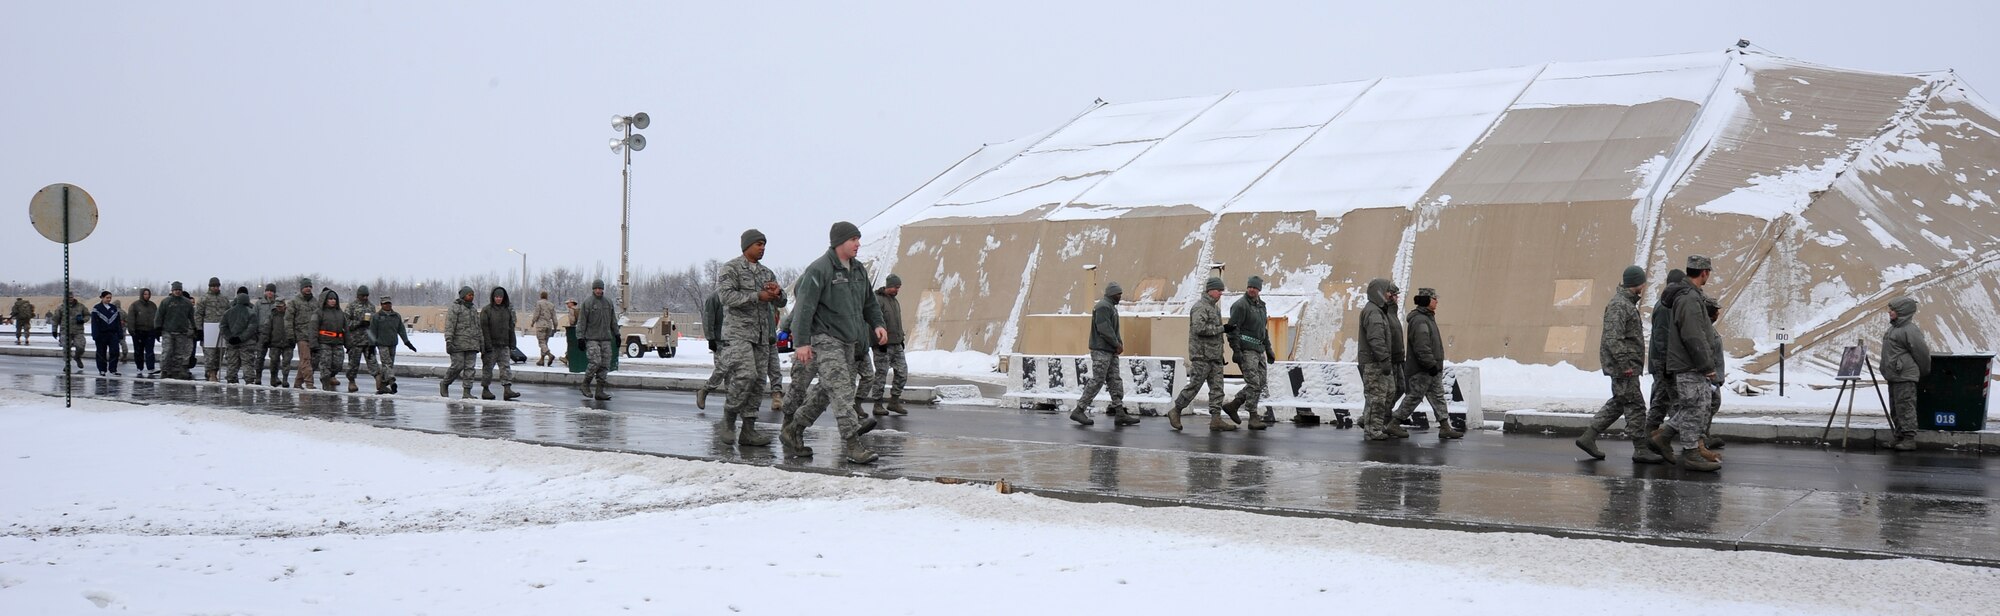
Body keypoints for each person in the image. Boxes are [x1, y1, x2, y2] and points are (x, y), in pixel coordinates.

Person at [782, 221, 889, 463]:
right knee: (841, 391)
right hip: (824, 338)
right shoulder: (819, 270)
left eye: (858, 239)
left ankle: (793, 429)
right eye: (853, 239)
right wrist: (801, 343)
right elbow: (804, 309)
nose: (858, 244)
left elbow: (869, 302)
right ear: (839, 242)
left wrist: (878, 324)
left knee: (826, 391)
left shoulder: (858, 270)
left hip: (848, 340)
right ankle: (852, 444)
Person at [1579, 266, 1658, 461]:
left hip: (1626, 366)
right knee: (1636, 405)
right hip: (1624, 368)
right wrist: (1625, 365)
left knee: (1620, 402)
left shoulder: (1625, 303)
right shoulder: (1619, 305)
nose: (1644, 286)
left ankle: (1588, 437)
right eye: (1643, 282)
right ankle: (1640, 449)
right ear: (1637, 283)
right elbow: (1613, 339)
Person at [715, 229, 786, 446]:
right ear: (746, 246)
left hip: (762, 335)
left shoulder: (767, 273)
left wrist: (777, 293)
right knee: (746, 374)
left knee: (757, 381)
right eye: (758, 244)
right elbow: (725, 296)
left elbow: (780, 303)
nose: (762, 248)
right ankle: (728, 419)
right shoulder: (731, 268)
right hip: (739, 334)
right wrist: (757, 296)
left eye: (764, 244)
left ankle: (749, 429)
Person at [1655, 255, 1722, 472]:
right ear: (1704, 272)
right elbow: (1693, 335)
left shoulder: (1690, 296)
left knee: (1697, 406)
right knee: (1694, 407)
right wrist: (1707, 365)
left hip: (1691, 364)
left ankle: (1664, 437)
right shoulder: (1689, 299)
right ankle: (1691, 454)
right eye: (1708, 272)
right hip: (1689, 364)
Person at [1168, 277, 1237, 432]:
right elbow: (1199, 329)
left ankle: (1216, 419)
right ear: (1210, 290)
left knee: (1218, 389)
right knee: (1194, 386)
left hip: (1215, 357)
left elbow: (1215, 335)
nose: (1221, 293)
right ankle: (1176, 410)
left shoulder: (1214, 308)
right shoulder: (1200, 307)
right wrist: (1222, 329)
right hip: (1202, 356)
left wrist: (1220, 352)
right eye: (1219, 290)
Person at [1395, 288, 1463, 440]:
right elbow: (1422, 346)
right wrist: (1430, 364)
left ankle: (1445, 427)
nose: (1437, 301)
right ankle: (1394, 422)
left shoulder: (1428, 318)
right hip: (1422, 369)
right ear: (1426, 300)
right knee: (1414, 397)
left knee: (1438, 397)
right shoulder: (1420, 320)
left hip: (1431, 369)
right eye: (1434, 298)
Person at [1069, 280, 1140, 427]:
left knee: (1115, 380)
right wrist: (1116, 344)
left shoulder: (1111, 307)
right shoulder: (1102, 307)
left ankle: (1120, 412)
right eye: (1118, 294)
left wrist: (1118, 344)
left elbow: (1113, 329)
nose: (1120, 296)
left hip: (1110, 350)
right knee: (1098, 380)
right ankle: (1079, 409)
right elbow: (1104, 329)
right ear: (1112, 294)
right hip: (1101, 350)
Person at [1222, 275, 1275, 429]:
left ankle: (1233, 405)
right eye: (1250, 287)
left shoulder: (1261, 306)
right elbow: (1233, 329)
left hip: (1259, 350)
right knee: (1253, 383)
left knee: (1261, 382)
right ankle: (1253, 417)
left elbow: (1262, 330)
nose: (1252, 290)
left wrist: (1269, 349)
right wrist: (1236, 350)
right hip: (1246, 350)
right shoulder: (1240, 306)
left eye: (1255, 287)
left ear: (1259, 290)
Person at [1879, 296, 1931, 452]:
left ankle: (1909, 438)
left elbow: (1921, 353)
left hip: (1904, 376)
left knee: (1905, 406)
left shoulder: (1910, 330)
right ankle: (1899, 436)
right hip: (1894, 376)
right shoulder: (1893, 329)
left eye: (1893, 309)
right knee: (1895, 407)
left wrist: (1921, 371)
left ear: (1902, 311)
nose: (1890, 312)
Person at [1357, 278, 1405, 440]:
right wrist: (1384, 359)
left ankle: (1372, 424)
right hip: (1374, 362)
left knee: (1389, 392)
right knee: (1376, 397)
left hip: (1379, 360)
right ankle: (1372, 431)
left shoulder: (1379, 311)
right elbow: (1376, 339)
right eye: (1387, 292)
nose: (1391, 295)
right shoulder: (1373, 312)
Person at [1644, 269, 1687, 438]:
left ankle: (1650, 432)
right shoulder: (1664, 306)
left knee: (1662, 399)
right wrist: (1667, 364)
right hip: (1664, 362)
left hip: (1666, 361)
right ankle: (1687, 439)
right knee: (1675, 400)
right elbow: (1661, 337)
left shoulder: (1669, 304)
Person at [861, 274, 910, 416]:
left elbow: (897, 323)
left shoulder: (895, 302)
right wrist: (877, 342)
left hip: (896, 344)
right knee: (881, 374)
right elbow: (872, 323)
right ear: (889, 285)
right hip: (882, 346)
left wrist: (900, 339)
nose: (897, 290)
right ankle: (877, 404)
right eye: (896, 287)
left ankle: (894, 401)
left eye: (899, 287)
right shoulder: (877, 300)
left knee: (902, 372)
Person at [574, 280, 617, 400]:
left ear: (603, 289)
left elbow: (613, 320)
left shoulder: (608, 302)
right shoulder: (588, 303)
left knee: (605, 364)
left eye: (600, 288)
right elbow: (581, 322)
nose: (598, 290)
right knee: (595, 362)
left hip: (606, 338)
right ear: (593, 289)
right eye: (596, 288)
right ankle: (585, 384)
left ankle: (600, 391)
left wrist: (617, 335)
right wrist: (580, 337)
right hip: (592, 338)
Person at [440, 286, 484, 398]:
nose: (471, 297)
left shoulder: (473, 309)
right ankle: (445, 383)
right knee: (457, 366)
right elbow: (450, 325)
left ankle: (467, 392)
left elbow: (478, 327)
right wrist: (449, 341)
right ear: (463, 295)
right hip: (458, 343)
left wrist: (481, 342)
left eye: (473, 295)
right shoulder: (455, 308)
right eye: (469, 294)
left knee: (470, 368)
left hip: (472, 344)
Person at [479, 286, 521, 400]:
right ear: (493, 297)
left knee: (505, 367)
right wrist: (486, 344)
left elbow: (510, 327)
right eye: (496, 297)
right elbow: (484, 328)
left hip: (504, 345)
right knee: (488, 368)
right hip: (491, 345)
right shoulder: (487, 310)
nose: (498, 299)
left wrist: (512, 342)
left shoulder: (507, 310)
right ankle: (485, 390)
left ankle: (507, 389)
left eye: (500, 297)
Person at [372, 297, 418, 394]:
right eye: (385, 304)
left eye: (389, 303)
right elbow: (372, 331)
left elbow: (401, 330)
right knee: (387, 364)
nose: (387, 305)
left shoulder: (396, 316)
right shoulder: (377, 317)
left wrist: (407, 342)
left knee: (389, 365)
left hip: (393, 344)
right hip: (382, 344)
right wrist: (371, 345)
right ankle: (392, 382)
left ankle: (383, 385)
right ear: (381, 305)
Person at [342, 285, 382, 393]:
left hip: (368, 340)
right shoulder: (351, 307)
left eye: (367, 295)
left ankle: (379, 381)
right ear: (358, 295)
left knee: (373, 362)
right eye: (363, 295)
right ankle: (351, 381)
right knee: (353, 364)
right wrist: (359, 323)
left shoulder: (371, 307)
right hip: (355, 340)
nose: (365, 298)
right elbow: (346, 324)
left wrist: (375, 339)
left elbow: (375, 323)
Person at [158, 282, 197, 380]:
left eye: (179, 290)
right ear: (172, 291)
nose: (178, 292)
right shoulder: (166, 302)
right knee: (167, 351)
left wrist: (195, 327)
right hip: (168, 331)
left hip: (181, 331)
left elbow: (191, 317)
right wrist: (157, 328)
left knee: (179, 353)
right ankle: (165, 370)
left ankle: (176, 371)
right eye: (176, 290)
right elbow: (159, 316)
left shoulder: (187, 303)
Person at [314, 288, 350, 391]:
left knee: (338, 364)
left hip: (338, 342)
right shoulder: (319, 312)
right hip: (324, 342)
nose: (333, 301)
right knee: (325, 363)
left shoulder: (340, 313)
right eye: (330, 299)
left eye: (334, 299)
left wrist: (348, 344)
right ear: (325, 300)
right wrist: (314, 344)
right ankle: (325, 382)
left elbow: (346, 329)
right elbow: (313, 328)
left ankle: (330, 376)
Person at [219, 288, 257, 384]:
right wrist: (241, 338)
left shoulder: (228, 312)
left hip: (231, 343)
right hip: (247, 343)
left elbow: (223, 326)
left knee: (232, 364)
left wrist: (230, 337)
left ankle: (231, 382)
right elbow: (251, 328)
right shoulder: (251, 312)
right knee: (247, 364)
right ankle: (249, 382)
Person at [194, 277, 229, 381]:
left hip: (221, 330)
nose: (215, 288)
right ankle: (211, 373)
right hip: (208, 330)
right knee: (209, 354)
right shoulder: (204, 299)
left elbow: (228, 313)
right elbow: (198, 314)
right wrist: (199, 329)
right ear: (210, 287)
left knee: (219, 354)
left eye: (217, 286)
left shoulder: (224, 299)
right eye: (213, 286)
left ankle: (215, 371)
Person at [286, 279, 318, 389]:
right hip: (301, 335)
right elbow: (288, 320)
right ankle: (310, 383)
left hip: (313, 336)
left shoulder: (315, 302)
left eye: (310, 286)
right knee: (306, 359)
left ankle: (298, 383)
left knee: (309, 361)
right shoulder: (294, 302)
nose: (308, 288)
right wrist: (290, 336)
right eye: (306, 286)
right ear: (301, 288)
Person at [696, 290, 725, 410]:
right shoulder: (715, 297)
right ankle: (705, 390)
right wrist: (711, 338)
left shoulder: (736, 296)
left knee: (734, 373)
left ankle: (731, 403)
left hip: (735, 340)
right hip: (719, 340)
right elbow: (708, 318)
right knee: (722, 369)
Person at [90, 291, 124, 376]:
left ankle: (113, 369)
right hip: (101, 334)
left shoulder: (114, 308)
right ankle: (102, 369)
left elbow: (118, 323)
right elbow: (94, 323)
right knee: (101, 352)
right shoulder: (97, 308)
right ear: (102, 297)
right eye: (107, 298)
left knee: (115, 351)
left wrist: (120, 333)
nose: (109, 299)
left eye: (110, 298)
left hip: (113, 334)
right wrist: (95, 334)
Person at [250, 283, 279, 385]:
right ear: (265, 292)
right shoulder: (259, 304)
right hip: (261, 334)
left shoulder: (278, 303)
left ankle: (274, 377)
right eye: (268, 291)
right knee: (260, 357)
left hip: (275, 334)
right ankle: (258, 376)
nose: (270, 293)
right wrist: (255, 332)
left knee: (275, 358)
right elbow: (253, 318)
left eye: (272, 291)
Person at [262, 299, 295, 387]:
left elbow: (294, 327)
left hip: (287, 342)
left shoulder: (290, 315)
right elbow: (267, 328)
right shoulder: (272, 315)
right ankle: (273, 378)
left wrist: (293, 339)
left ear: (284, 305)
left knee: (286, 363)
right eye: (277, 306)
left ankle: (285, 379)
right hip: (274, 342)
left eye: (280, 306)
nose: (278, 308)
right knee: (274, 362)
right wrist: (266, 339)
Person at [128, 288, 159, 377]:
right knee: (138, 351)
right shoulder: (135, 305)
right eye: (145, 294)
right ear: (142, 295)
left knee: (150, 350)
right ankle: (139, 367)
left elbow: (156, 318)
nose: (147, 296)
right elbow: (131, 318)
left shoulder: (153, 305)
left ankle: (151, 368)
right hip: (138, 331)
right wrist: (132, 330)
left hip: (150, 331)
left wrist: (156, 329)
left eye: (148, 294)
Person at [58, 292, 88, 371]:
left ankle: (77, 357)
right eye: (68, 297)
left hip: (78, 331)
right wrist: (54, 330)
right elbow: (55, 319)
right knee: (66, 349)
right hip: (65, 331)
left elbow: (87, 315)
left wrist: (83, 320)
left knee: (81, 347)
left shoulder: (81, 306)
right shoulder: (61, 307)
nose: (70, 299)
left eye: (71, 297)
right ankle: (67, 364)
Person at [530, 290, 558, 366]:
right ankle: (541, 360)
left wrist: (532, 322)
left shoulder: (539, 303)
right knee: (545, 343)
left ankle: (550, 355)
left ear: (541, 296)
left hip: (541, 325)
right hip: (549, 326)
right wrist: (555, 327)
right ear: (547, 297)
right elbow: (554, 318)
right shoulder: (551, 305)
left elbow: (536, 314)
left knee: (541, 343)